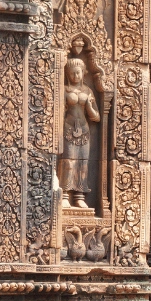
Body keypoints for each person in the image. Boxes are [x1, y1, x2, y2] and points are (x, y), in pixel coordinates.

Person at [59, 48, 100, 209]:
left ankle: (79, 195)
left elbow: (96, 117)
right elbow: (59, 112)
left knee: (82, 163)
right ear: (67, 74)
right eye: (72, 73)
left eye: (78, 73)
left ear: (84, 73)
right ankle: (64, 194)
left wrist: (89, 105)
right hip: (68, 128)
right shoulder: (64, 90)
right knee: (68, 161)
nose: (76, 76)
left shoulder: (88, 91)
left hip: (84, 130)